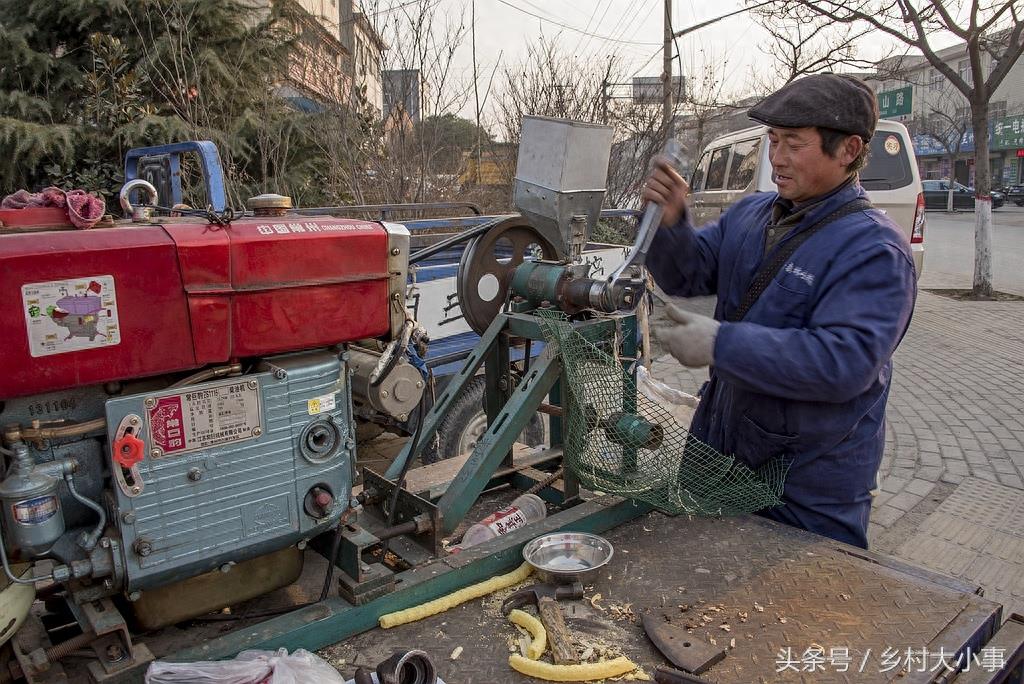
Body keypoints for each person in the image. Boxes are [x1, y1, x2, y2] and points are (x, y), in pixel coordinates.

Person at [643, 73, 917, 549]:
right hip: (720, 447)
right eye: (773, 140)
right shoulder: (752, 215)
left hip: (807, 482)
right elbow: (688, 274)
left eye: (794, 143)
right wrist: (671, 222)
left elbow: (843, 362)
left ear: (848, 150)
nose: (778, 158)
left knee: (796, 610)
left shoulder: (873, 249)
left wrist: (719, 343)